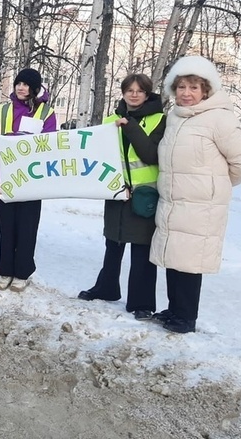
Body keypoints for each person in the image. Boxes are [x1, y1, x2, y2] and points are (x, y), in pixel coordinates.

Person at [150, 56, 241, 333]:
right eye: (181, 87)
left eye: (193, 87)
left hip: (200, 205)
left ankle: (185, 317)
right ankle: (175, 309)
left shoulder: (218, 118)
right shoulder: (175, 118)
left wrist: (213, 186)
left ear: (205, 90)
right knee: (174, 257)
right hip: (174, 201)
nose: (186, 93)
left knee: (190, 262)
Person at [78, 73, 166, 320]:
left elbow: (151, 155)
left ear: (147, 94)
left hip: (144, 194)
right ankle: (107, 287)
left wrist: (131, 127)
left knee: (141, 248)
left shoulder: (160, 120)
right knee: (113, 242)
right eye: (130, 90)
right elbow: (98, 154)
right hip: (116, 191)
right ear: (123, 92)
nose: (134, 94)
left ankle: (142, 302)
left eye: (140, 90)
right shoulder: (110, 120)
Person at [0, 67, 56, 292]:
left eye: (26, 84)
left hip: (32, 181)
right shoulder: (4, 110)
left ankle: (22, 272)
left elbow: (50, 147)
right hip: (7, 179)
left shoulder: (46, 113)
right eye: (18, 83)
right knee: (6, 227)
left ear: (35, 88)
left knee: (27, 227)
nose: (21, 87)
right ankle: (5, 270)